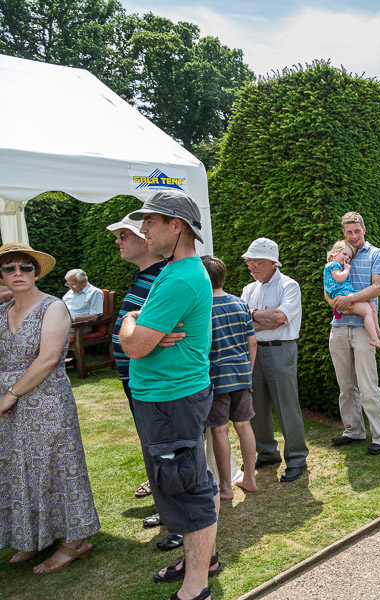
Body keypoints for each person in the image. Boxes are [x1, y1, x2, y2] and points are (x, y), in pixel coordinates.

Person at [119, 191, 220, 599]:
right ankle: (204, 560)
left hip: (170, 400)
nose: (142, 229)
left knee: (187, 490)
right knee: (187, 483)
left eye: (150, 221)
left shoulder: (179, 277)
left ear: (176, 226)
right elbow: (144, 336)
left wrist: (129, 322)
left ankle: (196, 587)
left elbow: (136, 345)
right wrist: (139, 325)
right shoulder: (175, 270)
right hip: (168, 399)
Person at [0, 242, 101, 573]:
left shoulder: (53, 307)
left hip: (45, 402)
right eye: (9, 269)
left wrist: (11, 394)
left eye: (25, 268)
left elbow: (48, 358)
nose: (18, 273)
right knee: (21, 470)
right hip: (8, 404)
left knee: (57, 466)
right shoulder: (2, 312)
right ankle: (37, 537)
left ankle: (75, 541)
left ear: (36, 272)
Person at [106, 214, 183, 550]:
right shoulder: (146, 277)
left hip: (158, 384)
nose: (119, 242)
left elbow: (150, 337)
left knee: (170, 453)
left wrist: (132, 327)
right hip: (138, 381)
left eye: (125, 235)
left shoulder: (162, 280)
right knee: (154, 450)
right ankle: (168, 512)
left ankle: (181, 522)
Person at [240, 237, 309, 479]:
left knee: (286, 406)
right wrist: (263, 319)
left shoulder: (289, 285)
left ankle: (297, 458)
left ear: (272, 262)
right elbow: (243, 324)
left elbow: (280, 318)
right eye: (249, 261)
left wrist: (254, 316)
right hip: (254, 350)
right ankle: (267, 453)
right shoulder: (249, 289)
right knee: (256, 406)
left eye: (255, 261)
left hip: (281, 350)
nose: (251, 266)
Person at [326, 212, 380, 455]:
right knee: (345, 386)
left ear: (364, 229)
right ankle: (353, 430)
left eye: (357, 231)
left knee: (368, 385)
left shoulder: (377, 254)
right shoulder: (339, 254)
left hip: (364, 329)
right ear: (344, 232)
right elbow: (328, 288)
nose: (353, 236)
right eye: (348, 232)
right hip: (339, 327)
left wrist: (349, 299)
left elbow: (377, 288)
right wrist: (334, 301)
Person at [202, 255, 259, 500]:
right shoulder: (240, 304)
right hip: (241, 374)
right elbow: (252, 342)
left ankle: (225, 487)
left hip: (215, 378)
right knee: (244, 426)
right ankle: (250, 479)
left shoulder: (201, 309)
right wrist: (248, 370)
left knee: (219, 431)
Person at [324, 240, 380, 351]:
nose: (347, 258)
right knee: (367, 311)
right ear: (334, 252)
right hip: (341, 295)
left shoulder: (339, 266)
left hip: (346, 294)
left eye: (349, 257)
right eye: (344, 254)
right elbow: (339, 278)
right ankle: (373, 338)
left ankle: (377, 331)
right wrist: (347, 269)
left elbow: (378, 288)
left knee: (372, 305)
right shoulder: (332, 265)